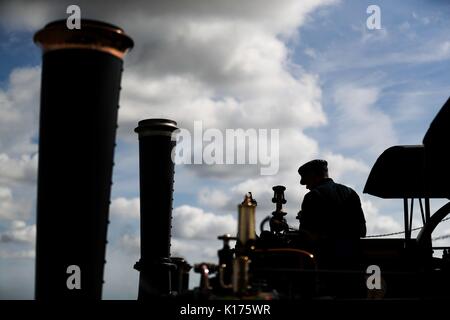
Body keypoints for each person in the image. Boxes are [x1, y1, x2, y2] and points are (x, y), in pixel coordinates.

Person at [296, 159, 366, 296]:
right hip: (354, 268)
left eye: (307, 181)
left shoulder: (312, 196)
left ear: (313, 176)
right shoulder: (351, 193)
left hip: (326, 270)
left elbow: (306, 237)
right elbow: (362, 231)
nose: (306, 186)